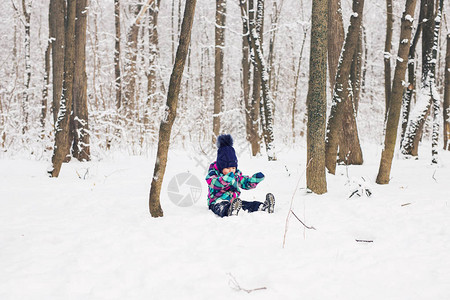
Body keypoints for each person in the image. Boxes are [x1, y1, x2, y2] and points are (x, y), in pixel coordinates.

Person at [205, 134, 275, 217]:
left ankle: (263, 207)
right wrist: (225, 180)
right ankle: (229, 211)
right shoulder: (214, 172)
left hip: (233, 201)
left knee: (246, 205)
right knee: (221, 207)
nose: (231, 170)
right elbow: (213, 182)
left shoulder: (235, 174)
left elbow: (244, 182)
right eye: (227, 168)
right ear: (221, 166)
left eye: (233, 168)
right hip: (216, 201)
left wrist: (254, 180)